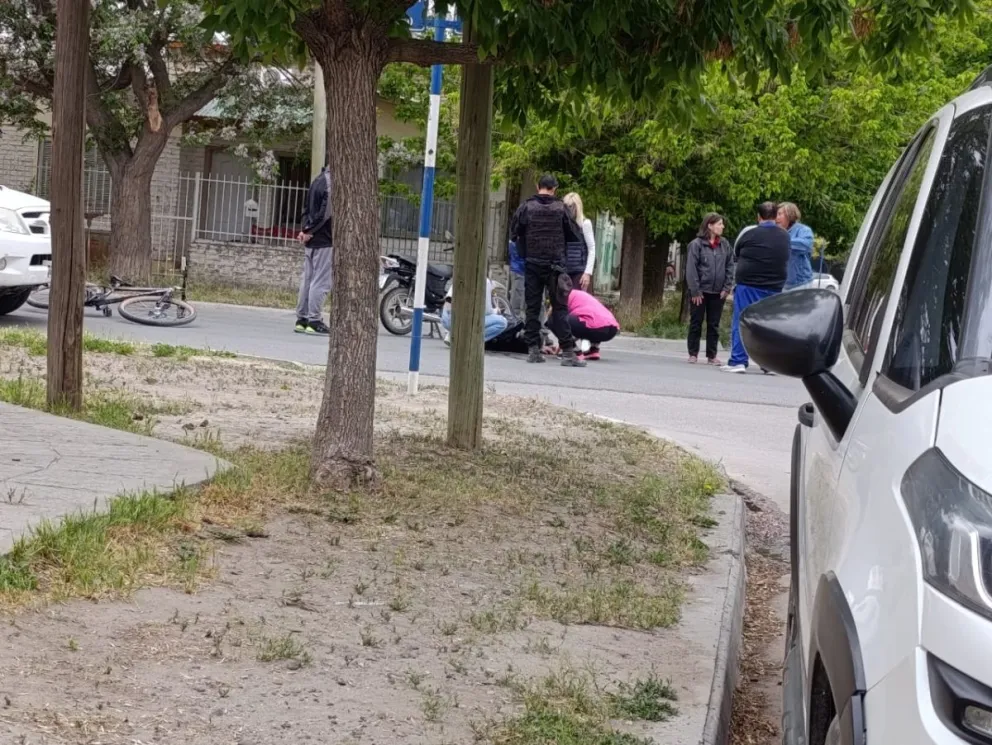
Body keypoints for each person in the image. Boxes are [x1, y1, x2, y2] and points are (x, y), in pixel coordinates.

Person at [509, 173, 585, 367]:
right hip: (555, 266)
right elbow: (574, 234)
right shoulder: (561, 209)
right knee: (560, 308)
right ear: (555, 189)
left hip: (533, 264)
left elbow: (515, 231)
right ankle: (568, 351)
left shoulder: (526, 207)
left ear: (538, 186)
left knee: (532, 308)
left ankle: (533, 350)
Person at [722, 202, 790, 373]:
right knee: (768, 324)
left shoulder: (749, 232)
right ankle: (769, 364)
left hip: (749, 284)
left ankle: (738, 360)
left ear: (758, 216)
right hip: (774, 286)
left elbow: (737, 250)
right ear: (775, 217)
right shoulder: (784, 235)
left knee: (742, 320)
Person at [685, 213, 734, 365]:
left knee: (714, 325)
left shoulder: (724, 244)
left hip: (718, 292)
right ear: (710, 226)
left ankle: (711, 355)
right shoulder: (696, 244)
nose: (722, 227)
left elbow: (730, 266)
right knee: (696, 322)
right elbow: (691, 268)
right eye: (719, 224)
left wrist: (727, 287)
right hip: (700, 291)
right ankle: (693, 353)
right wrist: (695, 290)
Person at [294, 166, 332, 335]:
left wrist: (305, 230)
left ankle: (302, 319)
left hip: (311, 238)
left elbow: (306, 209)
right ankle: (314, 320)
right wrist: (310, 230)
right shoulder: (331, 183)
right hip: (324, 238)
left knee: (307, 279)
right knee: (321, 281)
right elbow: (326, 213)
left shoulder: (317, 180)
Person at [549, 276, 619, 362]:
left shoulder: (562, 297)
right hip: (612, 329)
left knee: (554, 319)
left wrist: (564, 344)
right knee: (587, 320)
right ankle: (593, 350)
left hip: (594, 326)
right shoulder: (579, 294)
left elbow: (561, 323)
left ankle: (574, 351)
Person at [440, 277, 508, 345]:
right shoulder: (485, 282)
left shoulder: (460, 276)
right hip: (462, 322)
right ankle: (470, 341)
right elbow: (487, 311)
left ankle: (453, 334)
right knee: (502, 322)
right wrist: (496, 311)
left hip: (446, 319)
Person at [777, 202, 815, 290]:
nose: (776, 217)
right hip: (782, 285)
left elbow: (806, 245)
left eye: (779, 214)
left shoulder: (803, 230)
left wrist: (781, 241)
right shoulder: (776, 232)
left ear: (789, 215)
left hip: (800, 284)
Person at [563, 192, 596, 291]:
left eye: (572, 206)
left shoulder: (585, 224)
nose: (570, 209)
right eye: (567, 206)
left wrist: (587, 273)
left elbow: (592, 248)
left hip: (579, 272)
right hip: (565, 270)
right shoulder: (564, 224)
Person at [508, 238, 526, 319]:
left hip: (519, 269)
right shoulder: (516, 241)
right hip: (519, 270)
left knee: (517, 296)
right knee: (517, 297)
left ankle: (516, 318)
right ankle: (515, 319)